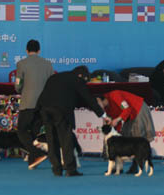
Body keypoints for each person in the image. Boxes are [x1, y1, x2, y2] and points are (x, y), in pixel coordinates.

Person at [36, 66, 110, 177]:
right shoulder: (77, 80)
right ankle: (70, 169)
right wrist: (103, 115)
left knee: (51, 140)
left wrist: (38, 113)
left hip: (45, 109)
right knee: (66, 140)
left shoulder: (54, 77)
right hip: (61, 111)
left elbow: (43, 95)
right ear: (81, 76)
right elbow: (88, 98)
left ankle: (56, 169)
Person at [15, 39, 53, 170]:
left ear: (26, 50)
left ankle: (36, 153)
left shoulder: (21, 64)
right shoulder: (48, 64)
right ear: (39, 50)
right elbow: (51, 83)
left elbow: (18, 84)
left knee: (22, 130)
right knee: (36, 132)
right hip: (43, 104)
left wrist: (20, 90)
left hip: (28, 103)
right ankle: (33, 160)